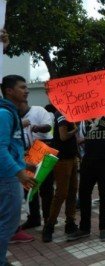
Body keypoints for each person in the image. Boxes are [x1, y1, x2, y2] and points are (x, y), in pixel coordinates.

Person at [67, 96, 105, 242]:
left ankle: (104, 228)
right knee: (84, 193)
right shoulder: (87, 110)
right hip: (89, 158)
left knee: (104, 193)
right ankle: (84, 228)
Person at [0, 75, 36, 266]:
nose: (27, 90)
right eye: (22, 87)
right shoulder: (5, 114)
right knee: (9, 223)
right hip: (6, 178)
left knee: (7, 222)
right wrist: (19, 171)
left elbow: (10, 147)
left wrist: (24, 165)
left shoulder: (10, 112)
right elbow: (0, 148)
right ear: (9, 91)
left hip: (8, 174)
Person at [42, 109, 79, 242]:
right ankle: (49, 226)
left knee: (72, 191)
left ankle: (70, 223)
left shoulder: (69, 113)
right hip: (63, 159)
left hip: (72, 157)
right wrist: (77, 128)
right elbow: (63, 136)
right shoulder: (61, 114)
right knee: (62, 193)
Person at [19, 100, 54, 229]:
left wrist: (36, 127)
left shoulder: (39, 110)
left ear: (24, 103)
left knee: (46, 189)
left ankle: (48, 220)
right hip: (26, 155)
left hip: (43, 151)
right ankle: (33, 218)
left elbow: (48, 127)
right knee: (28, 187)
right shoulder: (15, 118)